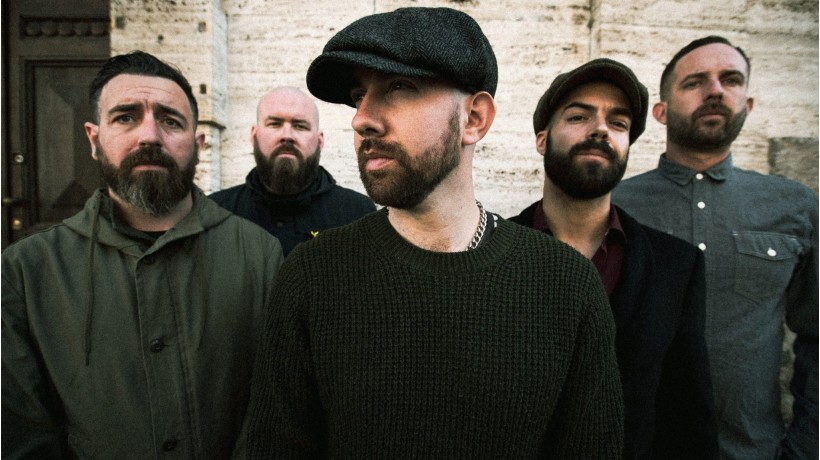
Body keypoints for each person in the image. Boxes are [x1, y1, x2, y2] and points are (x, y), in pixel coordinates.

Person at [242, 7, 623, 458]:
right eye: (359, 95)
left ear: (474, 118)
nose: (361, 118)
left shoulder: (566, 286)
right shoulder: (311, 276)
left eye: (399, 87)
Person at [1, 51, 284, 458]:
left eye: (171, 121)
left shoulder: (258, 255)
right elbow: (21, 432)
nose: (149, 135)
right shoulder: (28, 272)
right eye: (126, 117)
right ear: (94, 139)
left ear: (198, 144)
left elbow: (273, 410)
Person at [613, 36, 818, 460]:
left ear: (748, 104)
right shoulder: (613, 206)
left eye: (731, 80)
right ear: (661, 111)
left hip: (755, 450)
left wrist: (805, 447)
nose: (715, 91)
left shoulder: (795, 206)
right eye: (694, 82)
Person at [510, 58, 717, 459]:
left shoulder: (677, 266)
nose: (600, 129)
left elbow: (687, 414)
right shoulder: (486, 250)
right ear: (542, 139)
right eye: (578, 116)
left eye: (618, 122)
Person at [210, 87, 375, 256]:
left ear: (320, 141)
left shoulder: (357, 213)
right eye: (275, 124)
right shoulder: (218, 211)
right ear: (254, 135)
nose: (287, 135)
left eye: (300, 126)